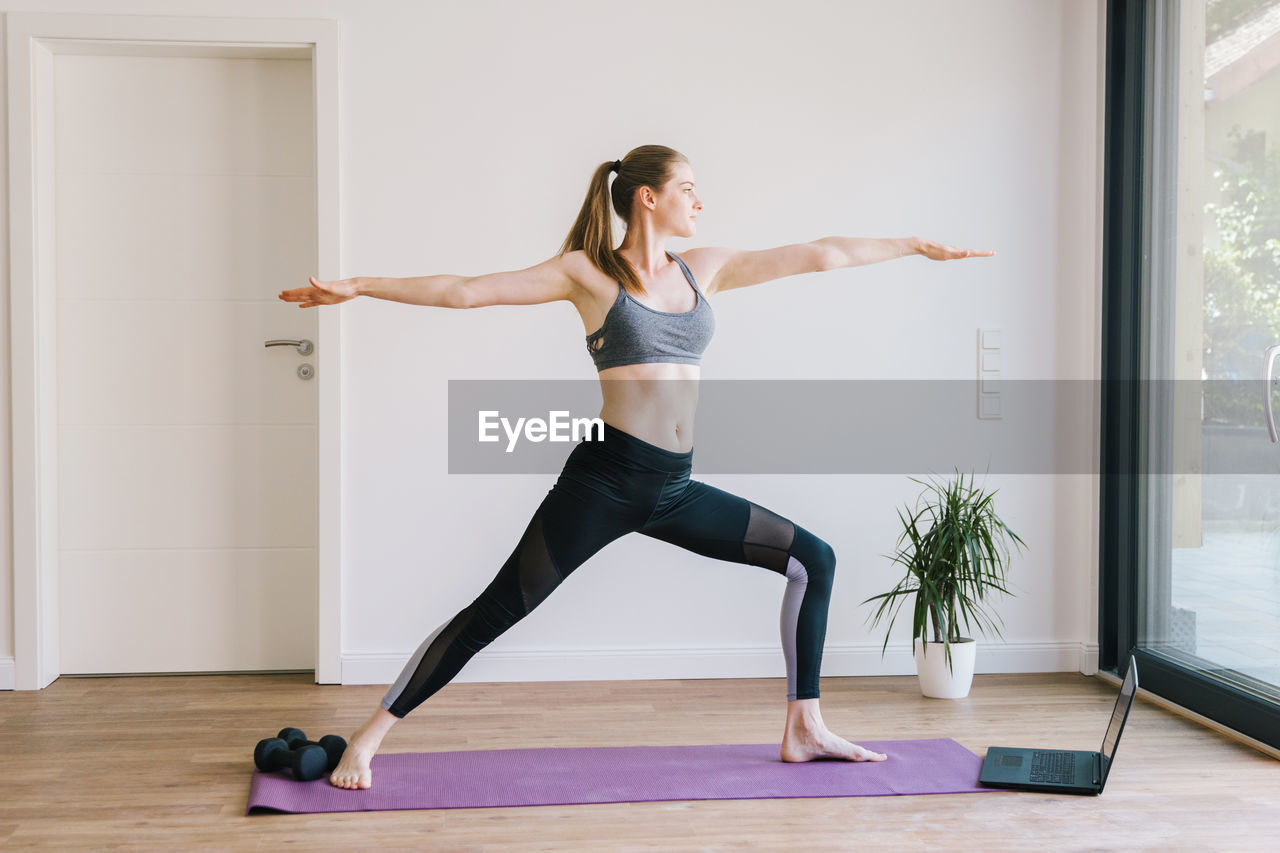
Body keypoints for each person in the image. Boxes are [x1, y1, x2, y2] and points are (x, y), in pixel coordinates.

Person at [278, 144, 994, 789]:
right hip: (606, 482)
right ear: (648, 197)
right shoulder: (587, 274)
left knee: (815, 558)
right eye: (688, 187)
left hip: (674, 488)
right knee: (497, 609)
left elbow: (820, 252)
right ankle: (369, 740)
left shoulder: (704, 267)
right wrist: (361, 284)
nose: (699, 200)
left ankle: (804, 725)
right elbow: (466, 290)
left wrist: (911, 244)